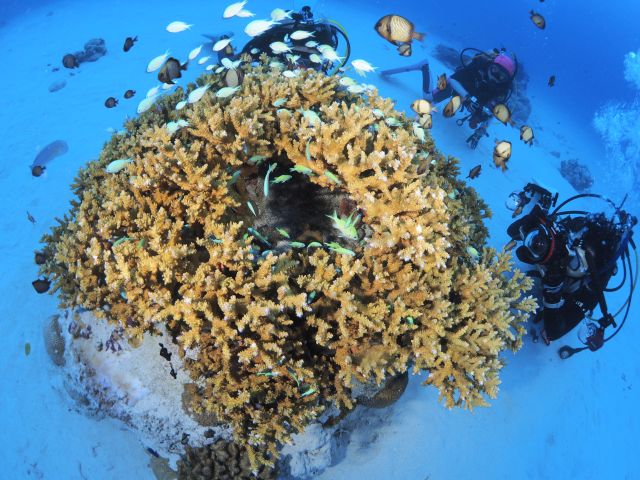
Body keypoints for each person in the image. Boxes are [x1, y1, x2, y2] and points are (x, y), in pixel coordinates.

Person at [505, 183, 637, 354]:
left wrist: (553, 289)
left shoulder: (591, 288)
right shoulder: (566, 233)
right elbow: (513, 231)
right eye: (570, 248)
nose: (565, 256)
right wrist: (534, 217)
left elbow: (554, 331)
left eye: (575, 261)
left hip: (571, 288)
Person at [380, 48, 517, 149]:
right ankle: (424, 67)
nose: (495, 77)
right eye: (494, 71)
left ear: (506, 80)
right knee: (428, 99)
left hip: (469, 97)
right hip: (457, 87)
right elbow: (452, 80)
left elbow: (494, 111)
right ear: (490, 65)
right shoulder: (478, 66)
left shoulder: (502, 90)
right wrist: (466, 97)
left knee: (479, 116)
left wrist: (481, 131)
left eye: (501, 76)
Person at [210, 6, 350, 73]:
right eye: (299, 58)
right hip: (267, 46)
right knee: (227, 63)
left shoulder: (322, 63)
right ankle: (223, 41)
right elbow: (238, 61)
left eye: (309, 61)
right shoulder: (271, 49)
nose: (302, 66)